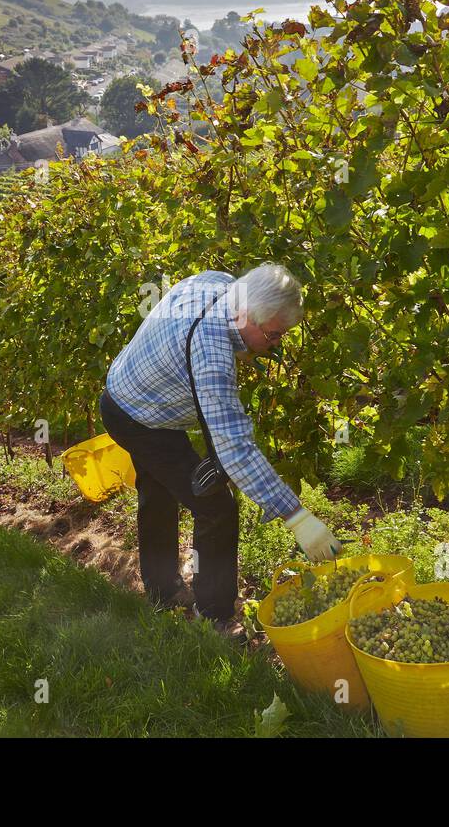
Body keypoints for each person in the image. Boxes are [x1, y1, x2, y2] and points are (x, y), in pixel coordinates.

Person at [100, 263, 341, 631]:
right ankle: (215, 617)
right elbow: (236, 449)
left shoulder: (221, 285)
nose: (277, 345)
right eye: (275, 335)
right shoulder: (211, 350)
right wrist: (298, 518)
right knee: (216, 506)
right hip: (136, 416)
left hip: (134, 395)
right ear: (248, 316)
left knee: (158, 489)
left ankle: (162, 592)